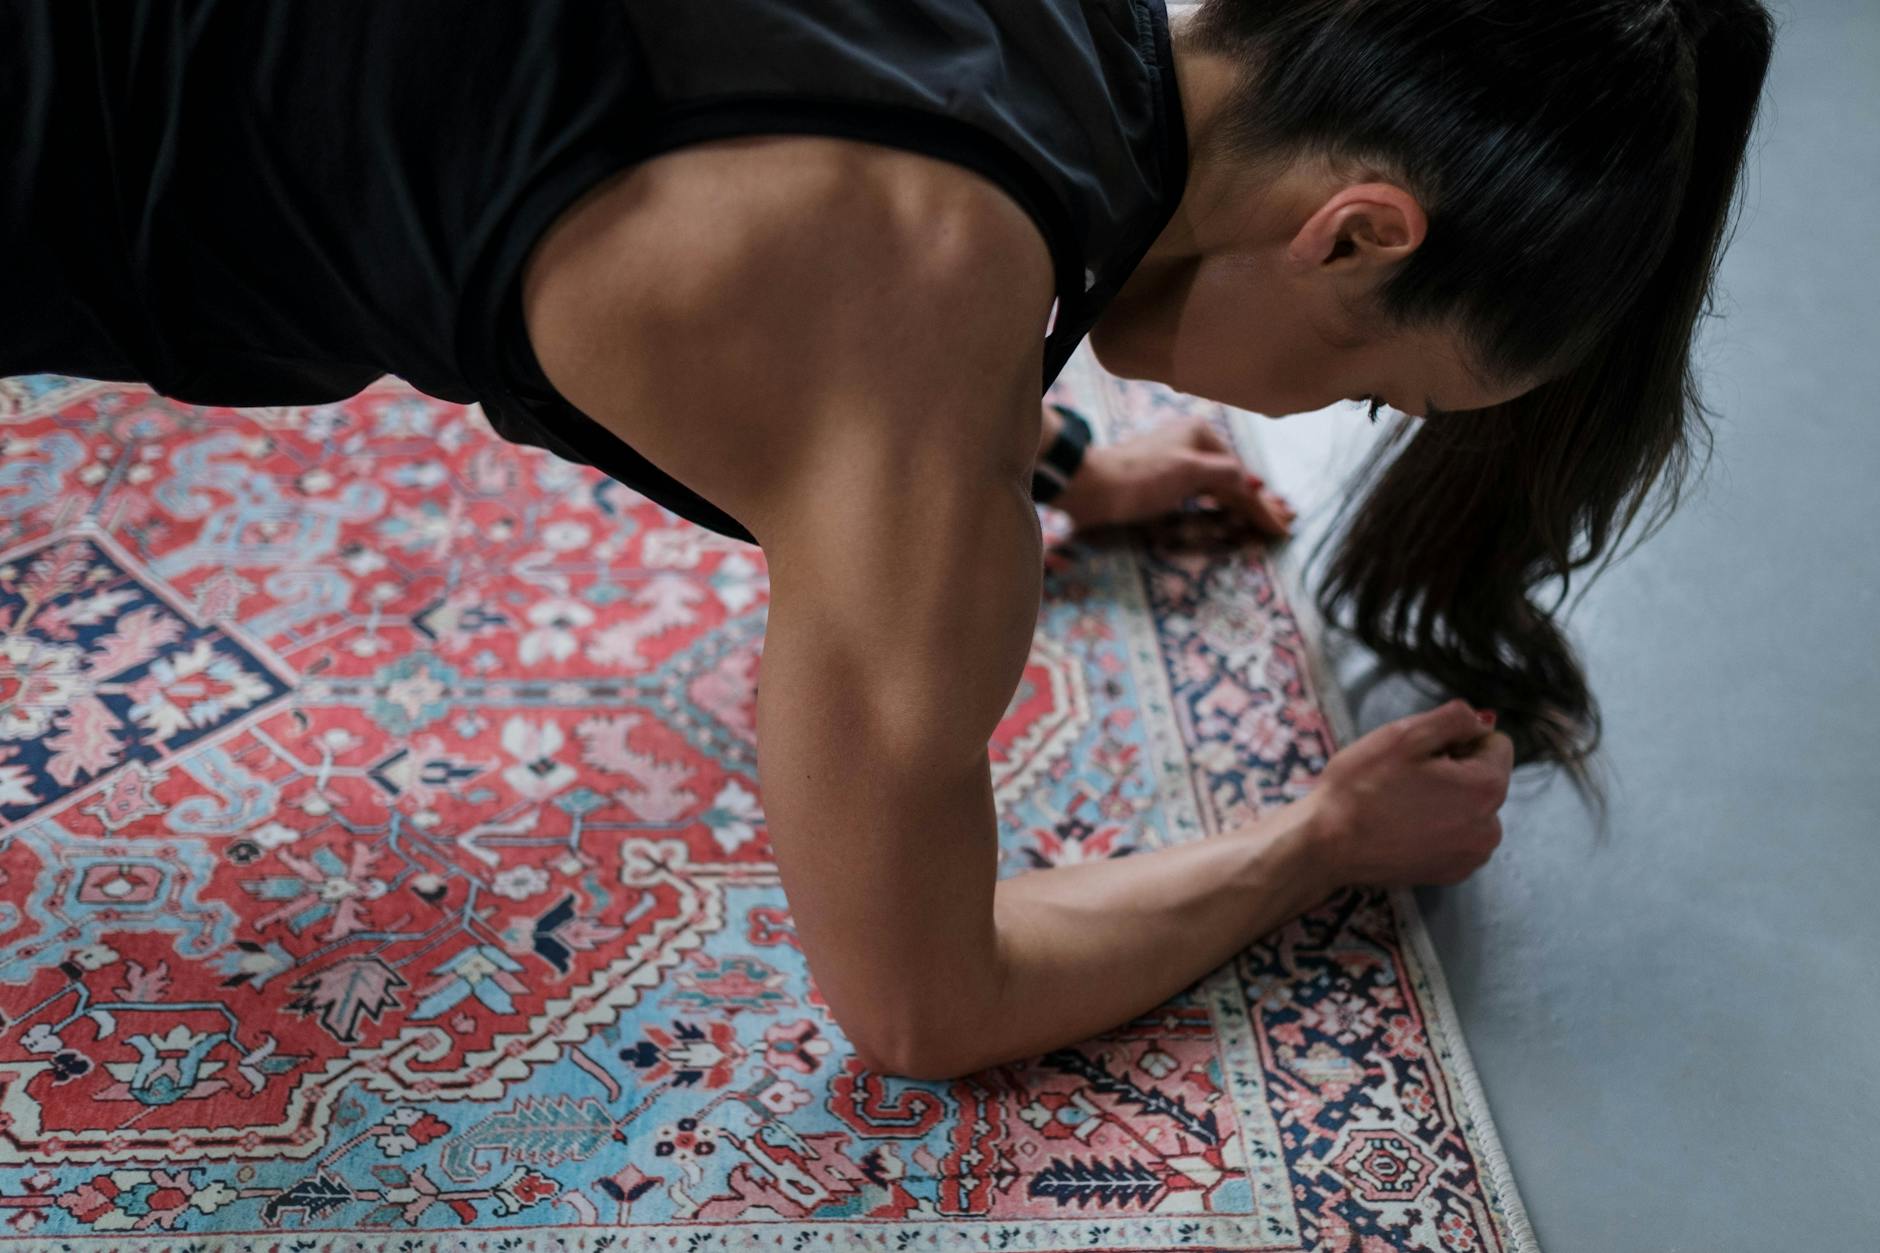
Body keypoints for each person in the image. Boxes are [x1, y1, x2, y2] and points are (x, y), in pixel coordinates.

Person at [1, 0, 1774, 1080]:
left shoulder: (1061, 60)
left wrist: (1059, 456)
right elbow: (928, 999)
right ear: (1352, 238)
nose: (1352, 418)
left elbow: (880, 221)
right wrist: (1315, 839)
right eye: (1380, 392)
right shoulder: (924, 334)